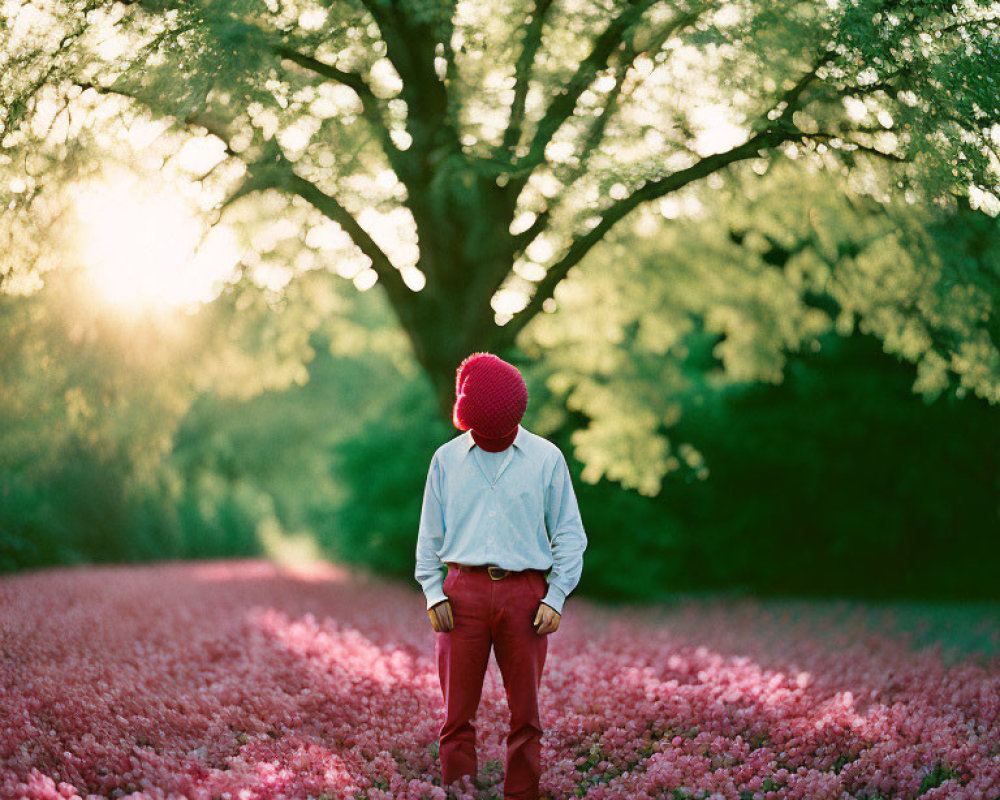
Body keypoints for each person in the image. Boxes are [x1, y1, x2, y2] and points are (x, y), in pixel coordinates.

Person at [414, 351, 588, 800]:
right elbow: (430, 535)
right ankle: (460, 793)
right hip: (461, 593)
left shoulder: (546, 458)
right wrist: (433, 592)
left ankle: (522, 795)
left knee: (526, 716)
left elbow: (570, 533)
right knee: (456, 717)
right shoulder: (446, 460)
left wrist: (556, 596)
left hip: (526, 596)